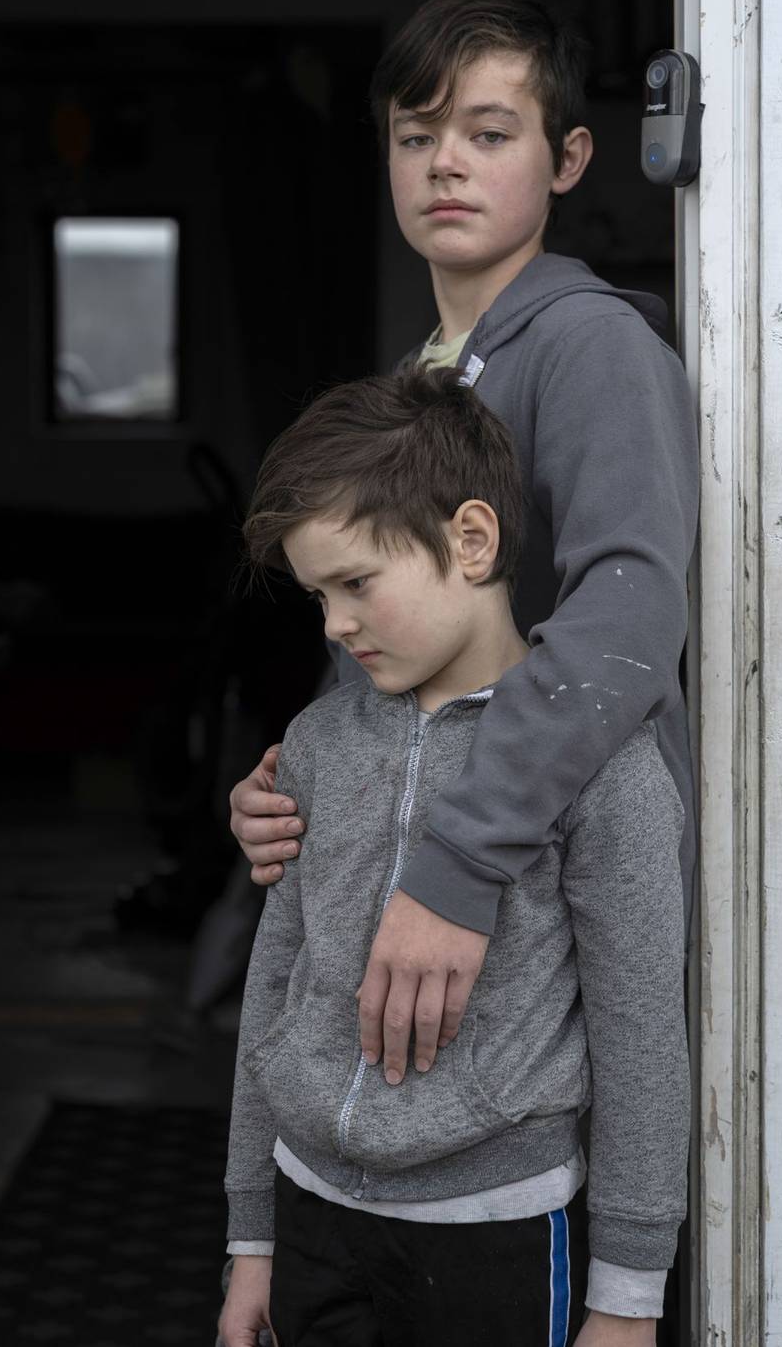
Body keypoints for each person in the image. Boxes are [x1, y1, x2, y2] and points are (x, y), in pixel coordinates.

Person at [229, 0, 698, 1090]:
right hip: (424, 868)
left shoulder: (593, 348)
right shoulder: (418, 381)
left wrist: (458, 863)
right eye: (417, 135)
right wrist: (303, 781)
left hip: (536, 880)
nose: (446, 163)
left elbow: (628, 616)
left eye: (489, 134)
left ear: (568, 159)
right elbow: (379, 640)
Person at [219, 369, 689, 1347]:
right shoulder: (316, 743)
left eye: (357, 584)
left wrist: (628, 1299)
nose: (334, 625)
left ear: (471, 541)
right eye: (317, 595)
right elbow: (274, 988)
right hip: (309, 1213)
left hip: (496, 1230)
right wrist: (251, 1235)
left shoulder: (601, 765)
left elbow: (641, 1034)